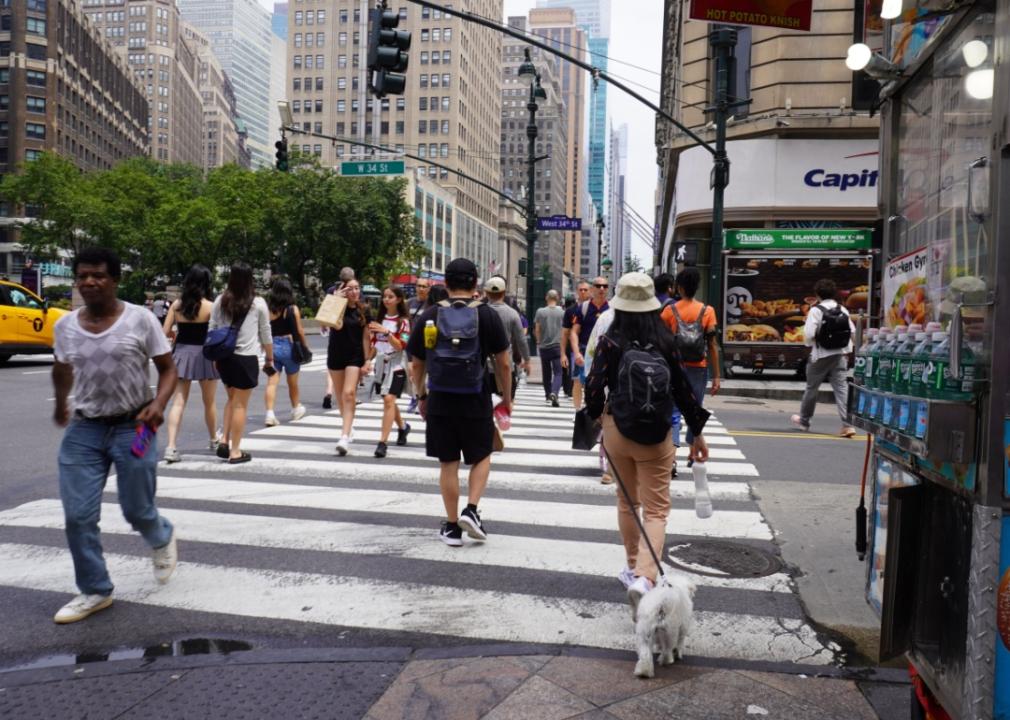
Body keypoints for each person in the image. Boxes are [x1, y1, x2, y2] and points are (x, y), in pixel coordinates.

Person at [50, 247, 179, 623]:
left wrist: (158, 404)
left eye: (98, 275)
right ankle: (94, 589)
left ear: (115, 280)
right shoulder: (65, 326)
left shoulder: (140, 320)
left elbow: (168, 369)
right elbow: (61, 369)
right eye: (83, 276)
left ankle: (161, 536)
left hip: (136, 426)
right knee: (77, 515)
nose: (89, 282)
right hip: (84, 429)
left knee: (137, 508)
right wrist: (61, 404)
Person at [585, 272, 710, 613]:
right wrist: (697, 433)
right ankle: (645, 576)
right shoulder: (665, 339)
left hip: (618, 430)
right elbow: (683, 391)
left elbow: (594, 386)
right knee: (656, 509)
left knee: (627, 502)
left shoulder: (612, 340)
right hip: (656, 434)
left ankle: (632, 568)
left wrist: (598, 416)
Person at [408, 258, 511, 547]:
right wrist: (506, 397)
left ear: (445, 283)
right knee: (482, 454)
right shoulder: (488, 316)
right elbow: (504, 362)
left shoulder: (429, 315)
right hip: (475, 396)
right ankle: (472, 510)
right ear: (475, 282)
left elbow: (417, 364)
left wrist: (421, 396)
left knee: (448, 462)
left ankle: (452, 526)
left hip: (440, 397)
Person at [211, 263, 274, 464]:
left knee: (231, 399)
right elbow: (265, 332)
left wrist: (214, 357)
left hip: (224, 357)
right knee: (240, 405)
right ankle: (235, 451)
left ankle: (224, 440)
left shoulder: (220, 300)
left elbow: (212, 328)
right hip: (246, 357)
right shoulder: (257, 303)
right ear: (250, 280)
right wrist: (270, 357)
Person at [660, 267, 720, 472]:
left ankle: (671, 458)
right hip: (699, 368)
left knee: (674, 412)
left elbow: (662, 342)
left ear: (680, 287)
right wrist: (717, 376)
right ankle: (693, 452)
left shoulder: (669, 311)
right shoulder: (708, 311)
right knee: (694, 411)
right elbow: (712, 345)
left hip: (674, 367)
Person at [162, 264, 220, 462]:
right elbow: (216, 334)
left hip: (182, 354)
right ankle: (213, 439)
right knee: (209, 401)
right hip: (205, 355)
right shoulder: (211, 307)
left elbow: (164, 332)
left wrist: (175, 334)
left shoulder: (177, 305)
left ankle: (171, 447)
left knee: (178, 402)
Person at [791, 278, 857, 437]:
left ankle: (804, 421)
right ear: (834, 293)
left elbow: (808, 336)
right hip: (840, 354)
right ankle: (848, 425)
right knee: (841, 389)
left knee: (812, 388)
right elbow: (852, 332)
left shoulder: (815, 310)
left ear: (817, 294)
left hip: (821, 355)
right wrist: (848, 349)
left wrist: (813, 343)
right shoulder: (843, 309)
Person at [327, 278, 372, 455]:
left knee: (349, 393)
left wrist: (367, 360)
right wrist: (335, 301)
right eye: (349, 289)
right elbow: (335, 325)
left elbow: (366, 337)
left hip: (355, 356)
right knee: (340, 398)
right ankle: (348, 426)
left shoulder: (364, 310)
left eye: (356, 288)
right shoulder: (336, 307)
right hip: (336, 355)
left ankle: (344, 437)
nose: (354, 292)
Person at [369, 285, 411, 458]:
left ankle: (382, 443)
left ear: (399, 299)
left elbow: (402, 345)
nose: (386, 299)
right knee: (389, 401)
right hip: (381, 363)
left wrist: (387, 333)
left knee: (388, 400)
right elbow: (373, 344)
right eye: (385, 296)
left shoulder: (404, 322)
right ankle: (402, 427)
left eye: (390, 296)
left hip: (397, 364)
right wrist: (366, 361)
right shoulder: (379, 318)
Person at [264, 277, 308, 427]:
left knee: (271, 383)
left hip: (273, 346)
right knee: (293, 383)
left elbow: (265, 329)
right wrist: (305, 346)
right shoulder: (292, 308)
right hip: (290, 347)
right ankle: (296, 408)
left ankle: (269, 414)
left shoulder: (269, 309)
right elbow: (300, 331)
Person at [483, 276, 529, 401]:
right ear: (504, 293)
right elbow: (521, 340)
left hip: (483, 368)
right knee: (506, 404)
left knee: (484, 405)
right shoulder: (512, 314)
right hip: (506, 365)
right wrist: (527, 360)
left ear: (487, 293)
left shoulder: (479, 312)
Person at [570, 277, 611, 408]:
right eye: (598, 286)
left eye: (605, 286)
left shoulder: (611, 309)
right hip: (584, 350)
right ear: (592, 289)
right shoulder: (584, 308)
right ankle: (578, 411)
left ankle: (598, 409)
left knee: (604, 382)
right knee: (578, 381)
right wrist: (576, 353)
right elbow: (573, 332)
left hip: (605, 352)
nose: (602, 289)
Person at [322, 267, 357, 409]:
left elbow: (324, 311)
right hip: (348, 333)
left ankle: (329, 391)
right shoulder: (353, 290)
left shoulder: (332, 290)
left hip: (335, 334)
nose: (353, 291)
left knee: (334, 364)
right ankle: (348, 393)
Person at [534, 289, 565, 406]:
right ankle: (555, 392)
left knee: (546, 372)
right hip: (557, 345)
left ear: (547, 298)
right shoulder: (562, 312)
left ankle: (548, 394)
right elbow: (564, 330)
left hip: (544, 346)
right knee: (558, 372)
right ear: (557, 298)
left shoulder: (540, 312)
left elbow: (537, 329)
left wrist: (538, 341)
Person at [560, 295, 576, 397]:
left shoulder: (564, 312)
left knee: (564, 366)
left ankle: (566, 388)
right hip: (572, 342)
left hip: (563, 342)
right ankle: (570, 389)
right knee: (572, 367)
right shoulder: (575, 312)